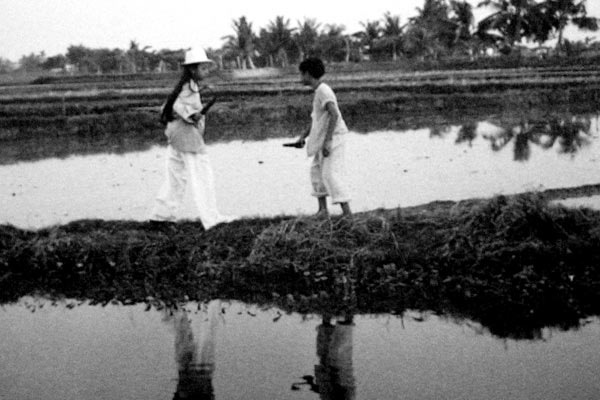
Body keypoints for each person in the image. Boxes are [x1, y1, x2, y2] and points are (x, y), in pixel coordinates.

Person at [150, 47, 233, 229]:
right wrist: (193, 115)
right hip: (187, 137)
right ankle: (211, 219)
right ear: (193, 69)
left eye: (206, 68)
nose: (206, 71)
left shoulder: (187, 86)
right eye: (203, 68)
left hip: (176, 135)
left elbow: (170, 105)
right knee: (202, 176)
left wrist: (192, 114)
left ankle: (161, 216)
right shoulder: (188, 88)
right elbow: (179, 107)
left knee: (175, 178)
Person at [291, 57, 352, 218]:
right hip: (323, 137)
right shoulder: (319, 91)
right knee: (317, 172)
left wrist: (328, 141)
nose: (300, 77)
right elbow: (317, 120)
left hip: (334, 136)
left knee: (330, 174)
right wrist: (303, 137)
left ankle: (347, 213)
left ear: (308, 74)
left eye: (301, 74)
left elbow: (334, 114)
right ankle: (323, 210)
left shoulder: (324, 91)